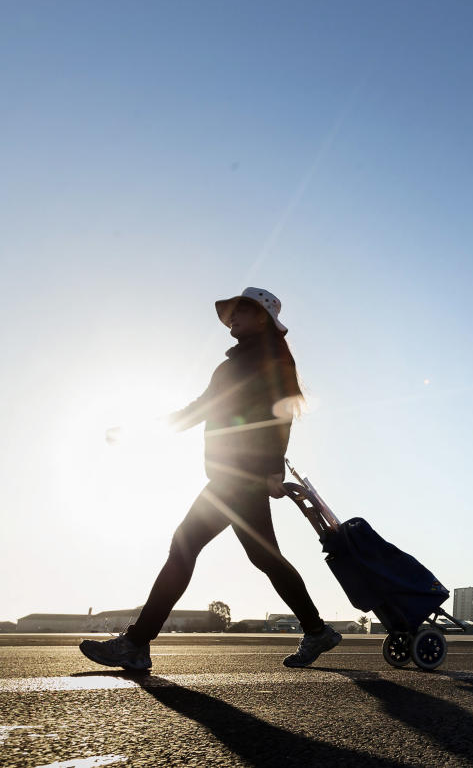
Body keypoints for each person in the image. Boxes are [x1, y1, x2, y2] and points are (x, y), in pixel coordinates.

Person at [80, 287, 340, 671]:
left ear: (262, 318)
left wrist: (271, 469)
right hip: (232, 476)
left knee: (184, 547)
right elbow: (201, 409)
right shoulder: (241, 362)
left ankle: (136, 643)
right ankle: (317, 630)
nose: (232, 317)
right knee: (263, 557)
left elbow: (279, 416)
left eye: (241, 311)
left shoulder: (264, 361)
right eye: (230, 312)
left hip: (240, 477)